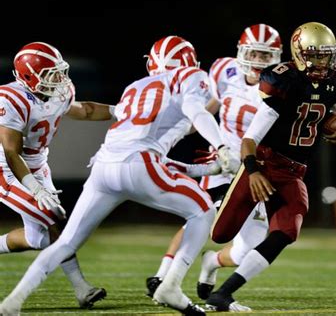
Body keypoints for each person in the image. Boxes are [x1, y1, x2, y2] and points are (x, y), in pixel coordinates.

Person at [0, 36, 240, 316]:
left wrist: (205, 170)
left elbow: (153, 154)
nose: (59, 78)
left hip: (103, 166)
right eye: (51, 73)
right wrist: (222, 147)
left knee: (58, 240)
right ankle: (170, 285)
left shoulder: (135, 88)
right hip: (16, 166)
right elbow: (192, 113)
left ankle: (11, 303)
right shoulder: (188, 79)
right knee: (202, 211)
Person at [205, 22, 336, 311]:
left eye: (326, 55)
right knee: (221, 235)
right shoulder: (284, 80)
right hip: (264, 164)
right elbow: (250, 139)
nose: (322, 62)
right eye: (315, 55)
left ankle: (224, 294)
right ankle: (205, 262)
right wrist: (252, 172)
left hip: (294, 172)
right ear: (299, 54)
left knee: (288, 230)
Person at [145, 24, 283, 309]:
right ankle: (162, 277)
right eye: (253, 52)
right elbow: (207, 108)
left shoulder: (284, 84)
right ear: (241, 51)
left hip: (258, 169)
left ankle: (212, 261)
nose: (257, 60)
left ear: (277, 56)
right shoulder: (223, 70)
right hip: (224, 162)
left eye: (265, 55)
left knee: (249, 247)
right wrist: (177, 132)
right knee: (203, 213)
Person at [0, 42, 114, 309]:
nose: (59, 79)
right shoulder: (10, 99)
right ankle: (81, 288)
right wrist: (36, 190)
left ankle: (81, 289)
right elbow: (11, 151)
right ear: (29, 76)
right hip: (6, 168)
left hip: (38, 165)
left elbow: (83, 110)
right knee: (51, 218)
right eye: (51, 74)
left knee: (38, 238)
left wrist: (119, 110)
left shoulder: (60, 93)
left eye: (59, 71)